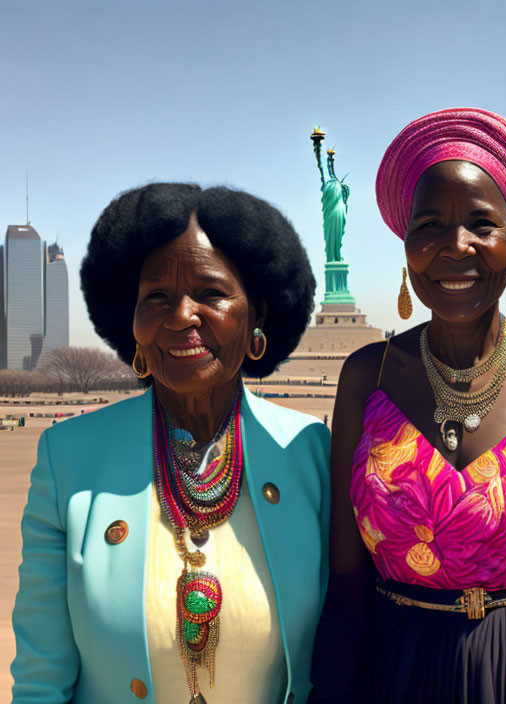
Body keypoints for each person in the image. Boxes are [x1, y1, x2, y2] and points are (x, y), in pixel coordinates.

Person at [309, 108, 506, 703]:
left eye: (482, 224)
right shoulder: (366, 378)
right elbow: (347, 583)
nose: (456, 248)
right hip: (392, 673)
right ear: (406, 245)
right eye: (429, 225)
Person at [11, 183, 329, 704]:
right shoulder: (66, 459)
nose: (181, 316)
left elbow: (336, 650)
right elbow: (41, 679)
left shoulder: (308, 452)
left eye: (210, 293)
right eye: (157, 297)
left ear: (257, 317)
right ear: (131, 321)